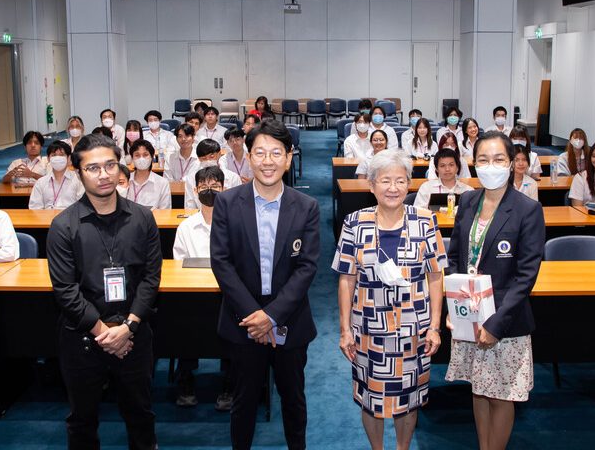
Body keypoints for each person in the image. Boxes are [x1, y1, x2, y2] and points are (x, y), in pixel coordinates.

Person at [47, 133, 162, 450]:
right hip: (83, 338)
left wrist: (128, 328)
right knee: (82, 422)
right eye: (93, 168)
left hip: (134, 335)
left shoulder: (143, 218)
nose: (103, 174)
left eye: (110, 165)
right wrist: (105, 334)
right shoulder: (63, 226)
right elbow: (66, 291)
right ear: (78, 172)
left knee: (141, 415)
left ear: (120, 166)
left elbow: (151, 278)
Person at [209, 118, 319, 450]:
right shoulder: (228, 202)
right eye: (260, 153)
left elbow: (307, 267)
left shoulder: (306, 206)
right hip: (243, 322)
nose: (267, 161)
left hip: (290, 321)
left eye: (276, 153)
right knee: (243, 402)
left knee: (293, 400)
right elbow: (222, 263)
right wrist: (255, 316)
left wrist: (271, 316)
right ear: (248, 155)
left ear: (288, 158)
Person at [334, 149, 446, 450]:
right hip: (369, 329)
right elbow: (346, 279)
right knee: (370, 400)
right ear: (372, 185)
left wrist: (435, 326)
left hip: (414, 328)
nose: (393, 188)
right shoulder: (354, 223)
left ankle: (402, 448)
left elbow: (436, 276)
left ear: (409, 184)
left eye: (400, 180)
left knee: (408, 400)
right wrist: (345, 329)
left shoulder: (425, 221)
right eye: (385, 181)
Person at [446, 131, 545, 450]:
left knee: (501, 395)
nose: (491, 166)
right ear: (473, 163)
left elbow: (526, 275)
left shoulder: (527, 209)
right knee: (478, 388)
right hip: (469, 315)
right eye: (484, 160)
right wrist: (455, 307)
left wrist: (495, 325)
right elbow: (454, 256)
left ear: (514, 162)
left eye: (499, 159)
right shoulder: (468, 200)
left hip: (505, 321)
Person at [172, 166, 234, 410]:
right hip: (193, 295)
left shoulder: (235, 223)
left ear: (223, 188)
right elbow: (178, 265)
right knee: (183, 323)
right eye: (204, 186)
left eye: (215, 186)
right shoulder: (185, 227)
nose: (209, 190)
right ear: (196, 190)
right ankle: (186, 379)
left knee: (233, 326)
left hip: (227, 295)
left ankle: (230, 382)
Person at [184, 139, 242, 210]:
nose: (208, 161)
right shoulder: (191, 178)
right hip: (200, 217)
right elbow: (190, 207)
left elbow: (237, 205)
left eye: (211, 157)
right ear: (198, 159)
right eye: (204, 158)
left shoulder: (233, 177)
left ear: (219, 154)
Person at [30, 141, 85, 210]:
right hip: (47, 219)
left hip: (71, 218)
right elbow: (35, 209)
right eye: (54, 155)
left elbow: (83, 206)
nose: (57, 158)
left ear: (68, 158)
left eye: (61, 155)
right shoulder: (41, 182)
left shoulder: (78, 180)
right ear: (48, 158)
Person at [121, 140, 172, 210]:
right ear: (132, 158)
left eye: (145, 155)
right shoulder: (125, 180)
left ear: (152, 157)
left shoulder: (162, 183)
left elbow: (165, 212)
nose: (141, 159)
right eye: (137, 155)